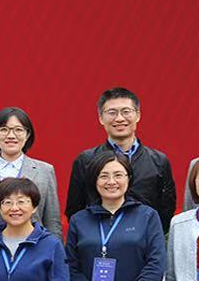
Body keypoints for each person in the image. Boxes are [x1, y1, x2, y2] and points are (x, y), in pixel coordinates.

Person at [61, 153, 163, 281]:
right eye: (104, 176)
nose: (111, 181)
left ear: (128, 178)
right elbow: (71, 268)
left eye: (118, 175)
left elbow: (155, 265)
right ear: (94, 180)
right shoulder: (80, 219)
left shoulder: (147, 216)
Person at [65, 87, 173, 218]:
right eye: (112, 112)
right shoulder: (86, 160)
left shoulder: (159, 161)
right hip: (100, 230)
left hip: (145, 231)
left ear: (138, 115)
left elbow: (167, 209)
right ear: (101, 118)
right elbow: (75, 211)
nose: (119, 118)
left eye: (126, 111)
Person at [0, 106, 62, 238]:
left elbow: (52, 222)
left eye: (18, 130)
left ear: (27, 135)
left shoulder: (45, 171)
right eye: (4, 129)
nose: (11, 135)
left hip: (34, 247)